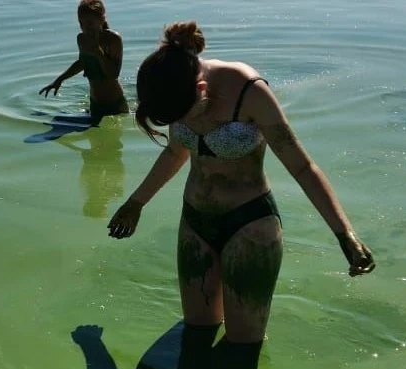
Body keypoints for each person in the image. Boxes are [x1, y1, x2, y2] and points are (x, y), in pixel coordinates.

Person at [107, 21, 375, 344]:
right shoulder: (166, 82)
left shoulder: (249, 91)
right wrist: (136, 202)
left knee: (242, 345)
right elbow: (175, 154)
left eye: (187, 115)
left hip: (249, 225)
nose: (186, 124)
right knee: (196, 333)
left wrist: (345, 234)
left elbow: (302, 167)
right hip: (195, 222)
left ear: (202, 90)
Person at [39, 0, 129, 126]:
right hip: (95, 103)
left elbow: (113, 74)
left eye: (90, 23)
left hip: (115, 103)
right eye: (81, 23)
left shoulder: (113, 40)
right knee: (94, 144)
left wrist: (99, 53)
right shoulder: (81, 39)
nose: (85, 27)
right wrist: (60, 79)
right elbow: (83, 62)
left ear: (101, 20)